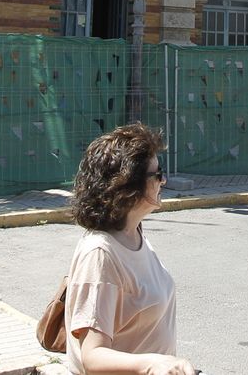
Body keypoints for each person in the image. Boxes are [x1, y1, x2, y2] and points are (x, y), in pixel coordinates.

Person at [64, 123, 196, 375]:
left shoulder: (134, 233)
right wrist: (154, 363)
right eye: (157, 174)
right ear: (127, 186)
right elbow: (92, 356)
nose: (163, 180)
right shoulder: (100, 253)